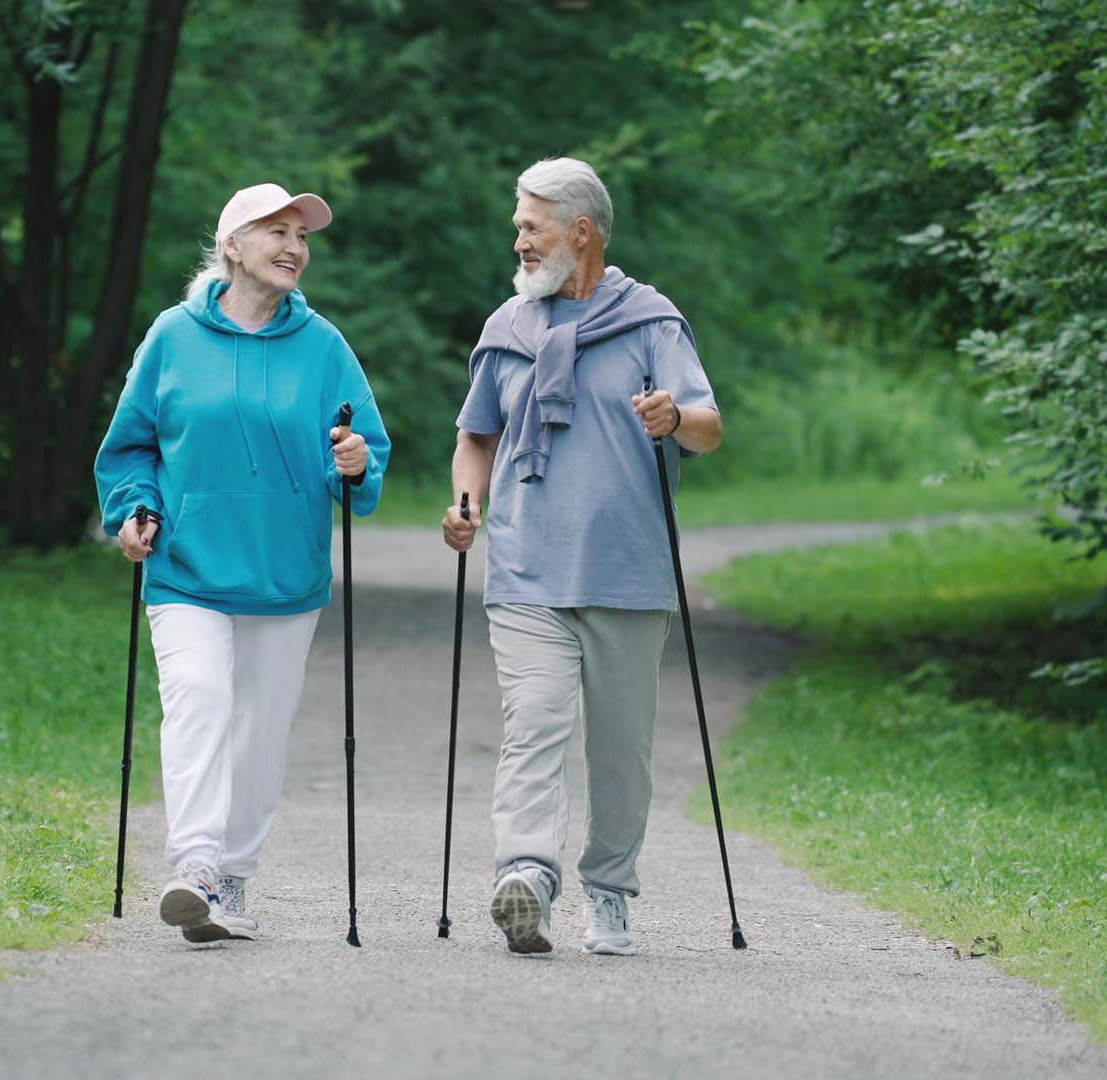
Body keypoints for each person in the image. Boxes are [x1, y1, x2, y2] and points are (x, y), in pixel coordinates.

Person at [95, 182, 391, 944]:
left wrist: (354, 463)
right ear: (231, 246)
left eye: (302, 235)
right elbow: (131, 446)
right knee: (198, 696)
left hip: (284, 574)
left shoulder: (323, 345)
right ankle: (194, 866)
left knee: (259, 732)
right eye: (276, 231)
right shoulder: (172, 335)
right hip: (187, 565)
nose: (294, 246)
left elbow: (364, 456)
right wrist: (133, 508)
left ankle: (231, 879)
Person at [441, 157, 722, 956]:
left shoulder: (651, 324)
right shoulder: (509, 328)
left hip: (627, 572)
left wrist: (673, 418)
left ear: (582, 232)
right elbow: (477, 436)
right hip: (527, 568)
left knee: (620, 750)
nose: (520, 241)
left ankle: (609, 890)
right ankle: (526, 875)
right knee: (532, 722)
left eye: (532, 226)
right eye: (519, 227)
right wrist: (467, 504)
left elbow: (708, 426)